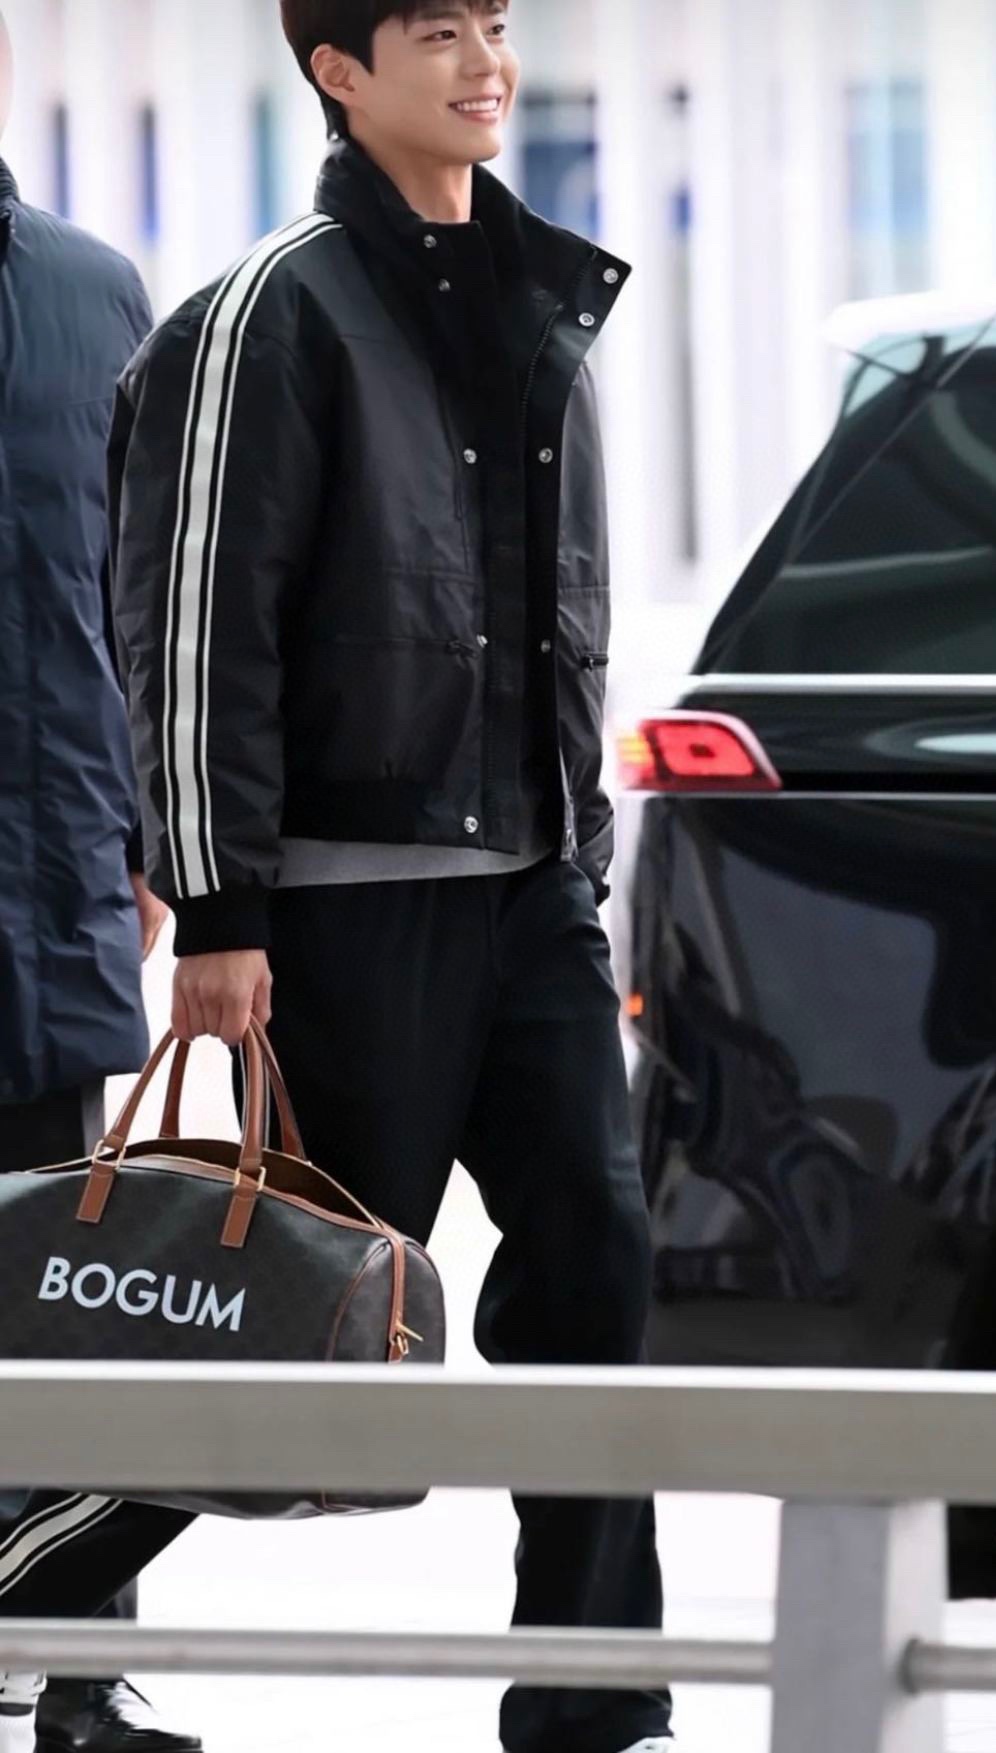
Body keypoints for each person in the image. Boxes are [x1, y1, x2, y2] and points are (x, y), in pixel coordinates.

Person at [0, 5, 672, 1751]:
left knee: (597, 1270)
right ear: (340, 71)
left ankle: (598, 1705)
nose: (486, 61)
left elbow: (557, 609)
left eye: (498, 24)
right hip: (347, 914)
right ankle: (18, 1574)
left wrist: (580, 858)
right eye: (438, 30)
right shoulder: (266, 314)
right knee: (280, 1323)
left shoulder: (543, 299)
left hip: (533, 890)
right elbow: (188, 621)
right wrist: (218, 907)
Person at [0, 13, 204, 1753]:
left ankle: (78, 1670)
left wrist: (145, 831)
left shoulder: (90, 290)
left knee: (70, 1295)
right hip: (57, 865)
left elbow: (138, 589)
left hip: (59, 873)